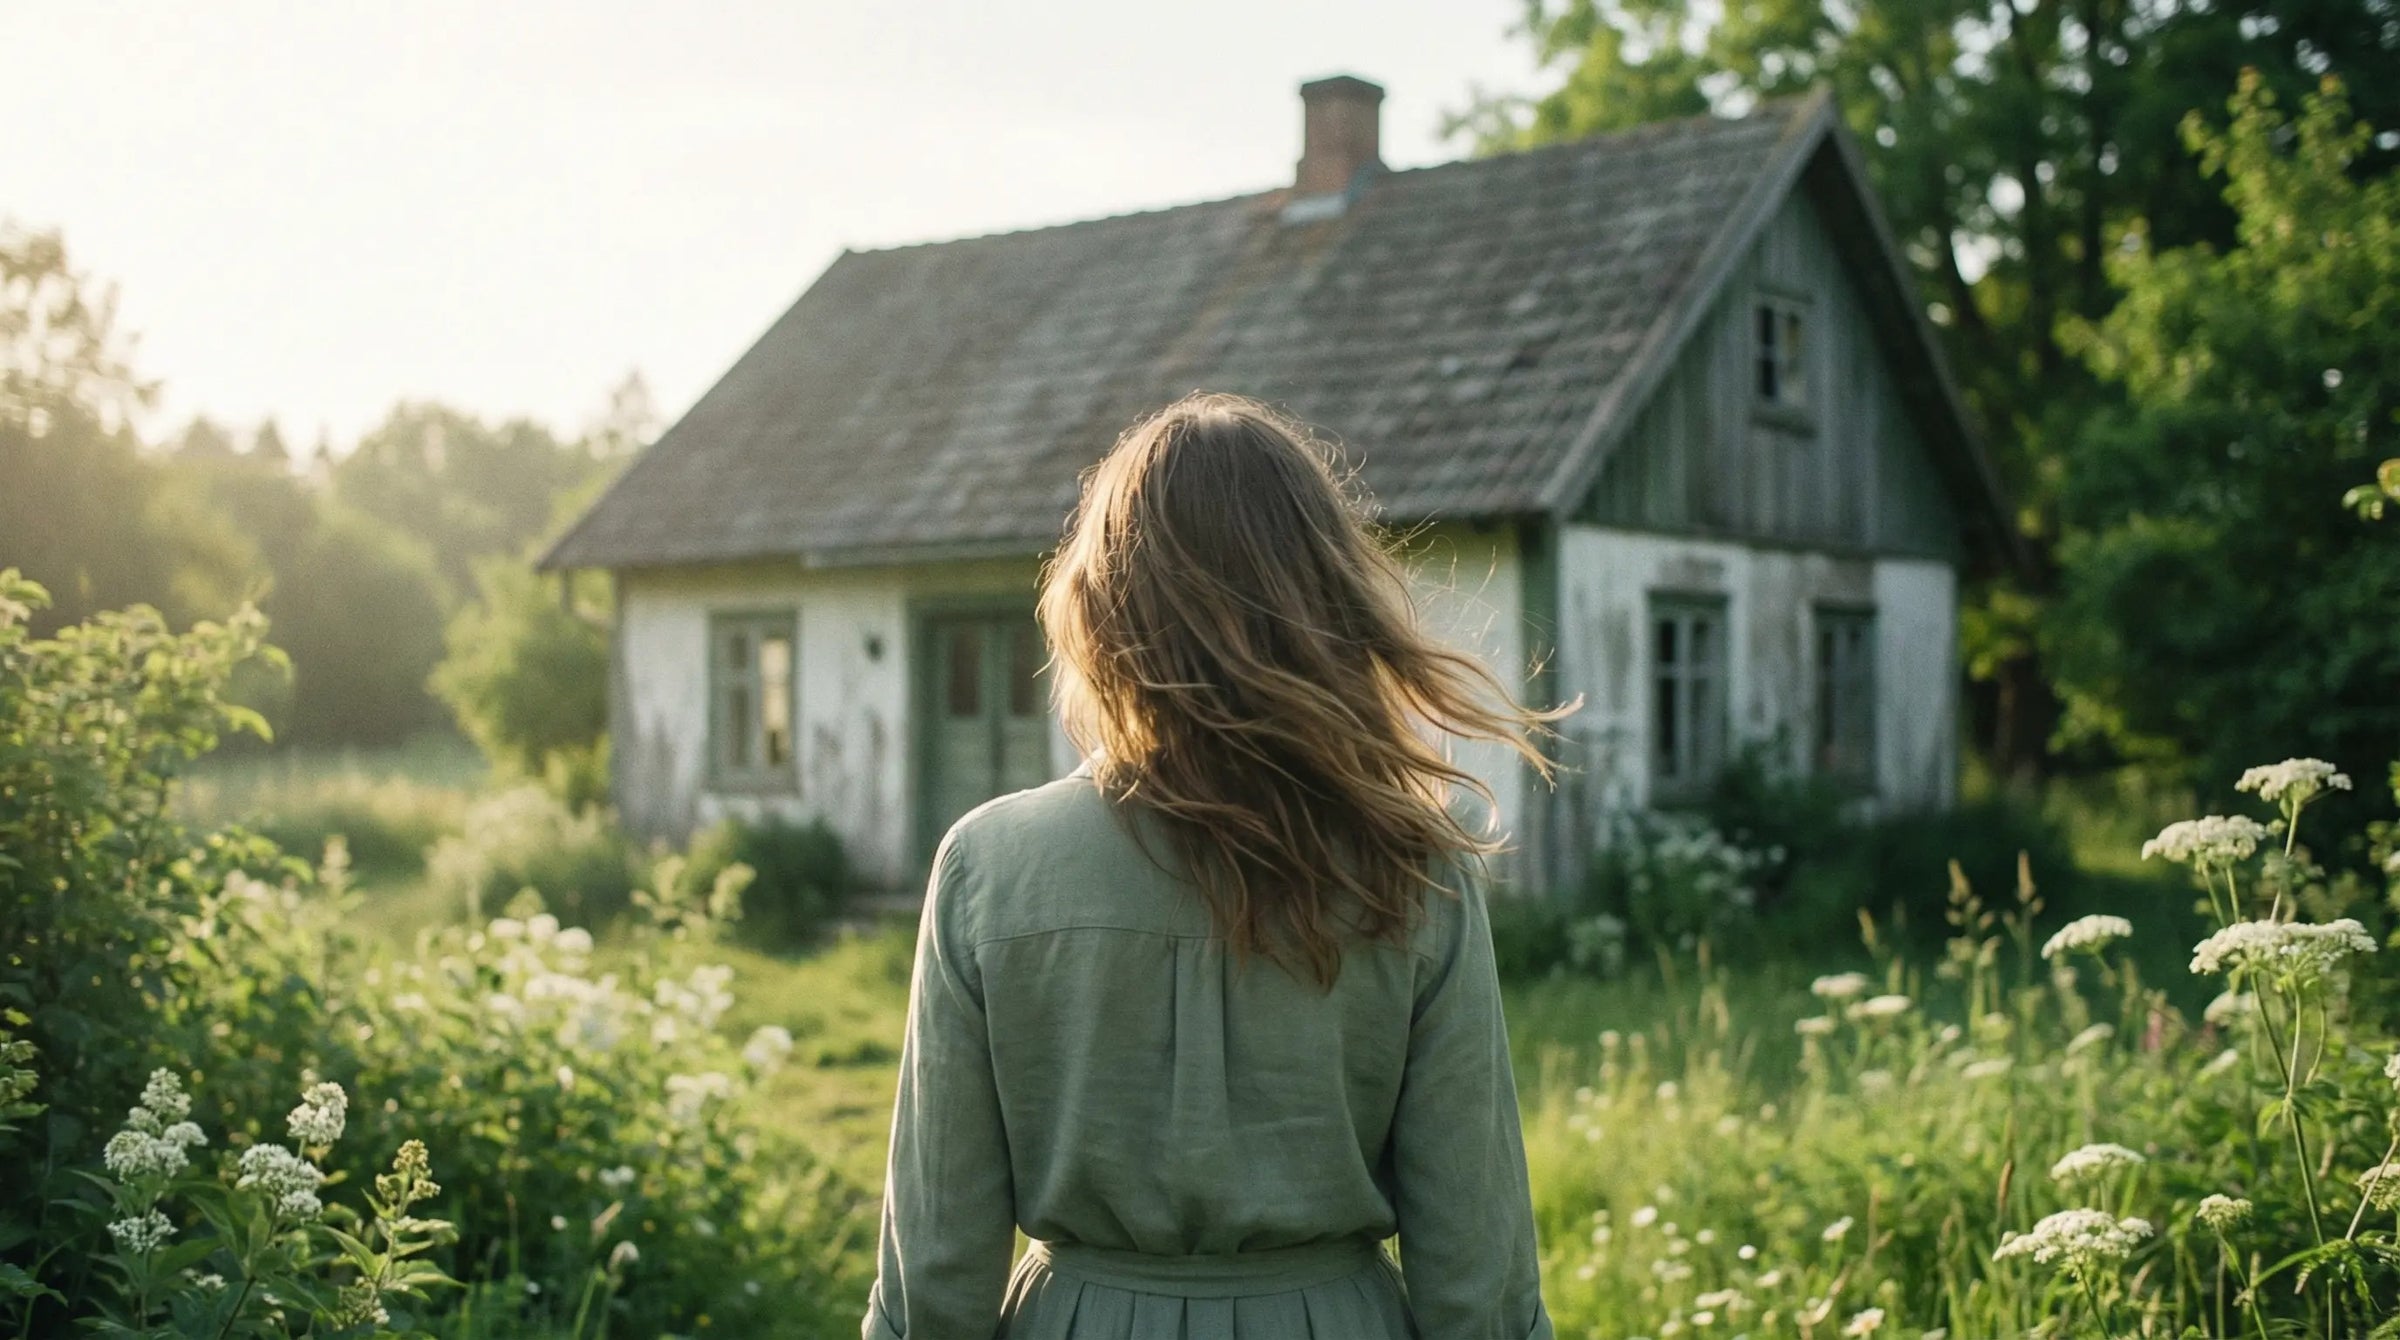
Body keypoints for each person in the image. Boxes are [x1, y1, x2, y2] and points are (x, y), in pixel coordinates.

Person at [864, 391, 1566, 1340]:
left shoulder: (988, 866)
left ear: (1103, 608)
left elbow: (935, 1277)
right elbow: (1476, 1272)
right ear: (1327, 600)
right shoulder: (1417, 869)